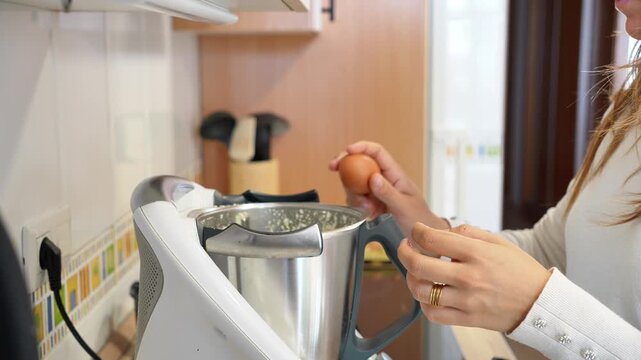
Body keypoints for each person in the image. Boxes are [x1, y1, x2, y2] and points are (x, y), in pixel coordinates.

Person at [329, 1, 641, 358]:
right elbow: (549, 250)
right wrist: (427, 226)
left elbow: (543, 289)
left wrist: (539, 306)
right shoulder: (628, 112)